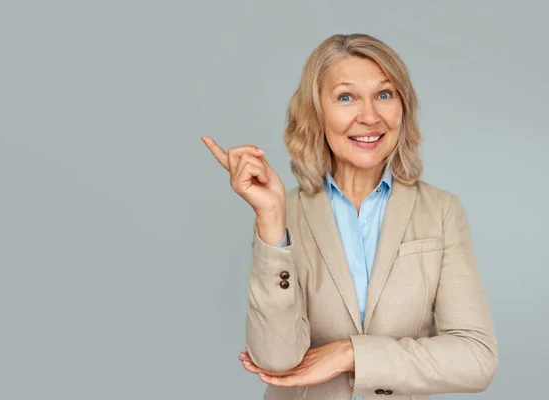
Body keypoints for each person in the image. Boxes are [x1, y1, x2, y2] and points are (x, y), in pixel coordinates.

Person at [201, 33, 497, 400]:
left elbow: (476, 357)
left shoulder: (441, 212)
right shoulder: (284, 213)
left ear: (403, 107)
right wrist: (272, 220)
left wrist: (350, 353)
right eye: (346, 97)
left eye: (384, 95)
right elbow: (276, 361)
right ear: (316, 112)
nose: (369, 116)